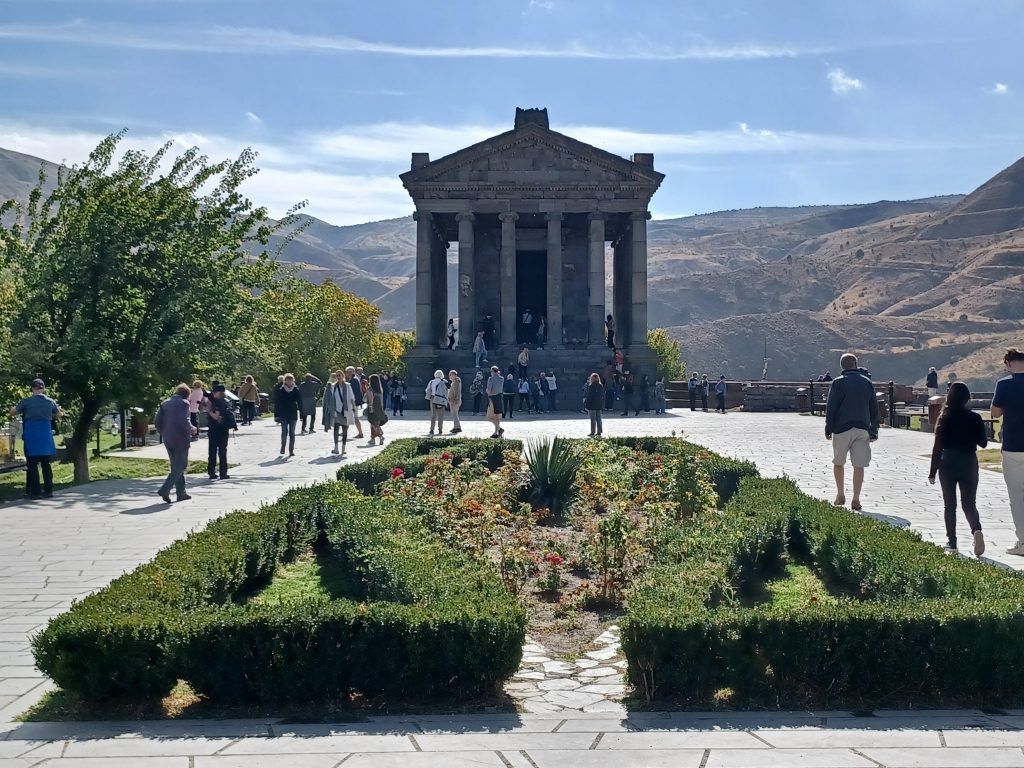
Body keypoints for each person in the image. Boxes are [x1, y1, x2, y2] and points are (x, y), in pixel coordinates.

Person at [929, 382, 987, 555]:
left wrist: (932, 472)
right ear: (967, 398)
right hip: (969, 461)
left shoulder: (944, 417)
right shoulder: (974, 417)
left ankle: (952, 542)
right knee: (969, 503)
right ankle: (976, 530)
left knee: (950, 505)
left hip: (948, 462)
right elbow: (983, 443)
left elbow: (937, 447)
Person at [825, 353, 880, 511]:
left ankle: (840, 494)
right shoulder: (867, 383)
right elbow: (874, 409)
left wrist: (829, 427)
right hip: (862, 428)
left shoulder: (837, 383)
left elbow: (832, 408)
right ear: (856, 364)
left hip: (841, 428)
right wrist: (874, 429)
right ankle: (856, 498)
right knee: (859, 465)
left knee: (838, 463)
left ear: (842, 366)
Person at [992, 347, 1024, 556]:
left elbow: (995, 413)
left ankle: (1022, 542)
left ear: (1009, 363)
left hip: (1013, 445)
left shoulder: (1004, 384)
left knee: (1016, 495)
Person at [10, 378, 61, 499]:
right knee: (45, 463)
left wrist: (12, 409)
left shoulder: (26, 401)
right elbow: (58, 414)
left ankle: (36, 492)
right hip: (45, 434)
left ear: (32, 388)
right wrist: (50, 415)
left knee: (32, 464)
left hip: (31, 434)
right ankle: (48, 491)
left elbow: (13, 412)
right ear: (43, 388)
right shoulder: (50, 401)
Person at [153, 383, 196, 503]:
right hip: (181, 439)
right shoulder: (184, 403)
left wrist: (164, 432)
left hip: (168, 439)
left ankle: (181, 493)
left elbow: (156, 421)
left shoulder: (164, 403)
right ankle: (165, 489)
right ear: (187, 395)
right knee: (181, 465)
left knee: (175, 466)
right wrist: (192, 430)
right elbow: (184, 420)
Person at [206, 383, 236, 480]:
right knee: (222, 451)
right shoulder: (225, 401)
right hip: (223, 430)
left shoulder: (217, 402)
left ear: (218, 392)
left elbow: (216, 417)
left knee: (212, 451)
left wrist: (209, 410)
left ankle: (211, 472)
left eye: (214, 392)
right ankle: (223, 473)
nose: (213, 393)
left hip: (215, 429)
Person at [275, 373, 302, 457]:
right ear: (285, 381)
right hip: (283, 413)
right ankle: (283, 446)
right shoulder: (280, 390)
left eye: (291, 380)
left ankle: (291, 450)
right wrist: (276, 415)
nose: (289, 382)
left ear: (293, 381)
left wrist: (302, 414)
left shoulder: (296, 390)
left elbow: (300, 402)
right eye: (287, 380)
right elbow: (277, 403)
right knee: (284, 432)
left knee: (292, 433)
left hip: (293, 413)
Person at [365, 373, 388, 445]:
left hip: (373, 407)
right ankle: (373, 438)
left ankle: (380, 435)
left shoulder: (370, 389)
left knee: (373, 423)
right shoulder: (380, 389)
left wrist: (370, 407)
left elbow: (371, 399)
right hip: (380, 408)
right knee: (376, 423)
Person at [425, 369, 448, 435]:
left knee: (433, 415)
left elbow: (427, 390)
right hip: (441, 399)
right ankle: (440, 429)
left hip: (433, 398)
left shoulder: (431, 382)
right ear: (442, 375)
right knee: (441, 415)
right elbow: (448, 390)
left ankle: (432, 429)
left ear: (435, 374)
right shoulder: (445, 381)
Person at [486, 365, 505, 438]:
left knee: (489, 416)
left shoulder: (490, 379)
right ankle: (495, 433)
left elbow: (489, 390)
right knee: (497, 416)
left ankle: (499, 429)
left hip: (492, 398)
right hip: (499, 397)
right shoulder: (502, 378)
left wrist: (486, 391)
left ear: (492, 371)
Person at [586, 373, 605, 437]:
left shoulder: (591, 386)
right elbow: (602, 395)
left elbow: (589, 396)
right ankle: (599, 431)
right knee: (599, 419)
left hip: (592, 405)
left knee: (593, 419)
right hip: (599, 404)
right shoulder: (600, 386)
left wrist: (586, 404)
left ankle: (592, 432)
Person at [349, 367, 365, 439]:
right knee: (349, 417)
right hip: (354, 402)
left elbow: (354, 392)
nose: (348, 373)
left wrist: (353, 402)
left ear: (353, 372)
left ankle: (360, 433)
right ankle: (360, 433)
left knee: (355, 418)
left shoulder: (354, 380)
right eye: (347, 372)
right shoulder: (354, 379)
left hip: (354, 402)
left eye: (349, 372)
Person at [447, 369, 463, 434]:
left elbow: (457, 392)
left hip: (454, 401)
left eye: (450, 375)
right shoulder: (454, 382)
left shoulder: (456, 382)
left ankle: (457, 428)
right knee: (454, 415)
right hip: (453, 400)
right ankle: (456, 426)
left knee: (455, 415)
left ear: (454, 375)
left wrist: (455, 400)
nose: (449, 376)